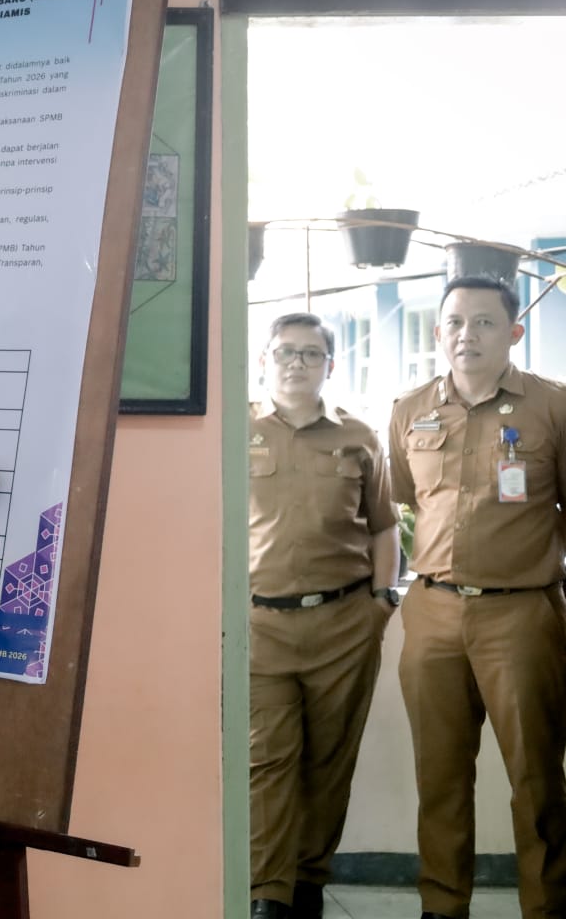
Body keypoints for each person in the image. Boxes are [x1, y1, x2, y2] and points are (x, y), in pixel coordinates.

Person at [389, 275, 566, 919]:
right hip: (432, 612)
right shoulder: (409, 411)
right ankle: (442, 907)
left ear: (513, 332)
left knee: (536, 779)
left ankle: (546, 908)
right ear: (439, 333)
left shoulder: (553, 407)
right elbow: (406, 500)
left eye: (485, 322)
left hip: (521, 614)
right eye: (456, 322)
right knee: (438, 777)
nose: (468, 335)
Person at [248, 313, 399, 919]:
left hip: (344, 625)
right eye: (286, 351)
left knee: (330, 761)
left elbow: (385, 526)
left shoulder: (358, 436)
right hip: (260, 627)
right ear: (265, 360)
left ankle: (308, 883)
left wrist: (382, 603)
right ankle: (267, 892)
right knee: (266, 760)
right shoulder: (237, 431)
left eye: (311, 353)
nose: (297, 363)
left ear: (330, 366)